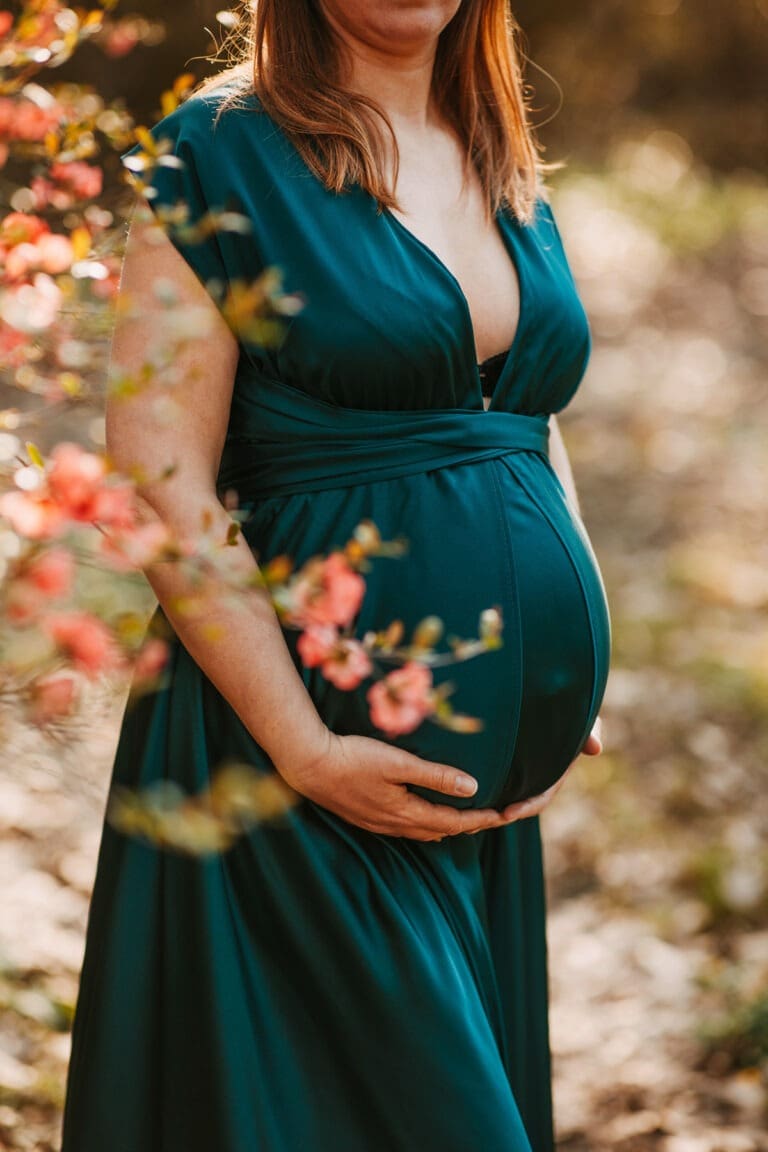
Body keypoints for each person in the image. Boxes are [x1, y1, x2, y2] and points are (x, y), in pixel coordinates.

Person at [60, 2, 611, 1149]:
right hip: (300, 761)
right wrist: (303, 748)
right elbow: (161, 470)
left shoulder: (492, 139)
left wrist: (567, 668)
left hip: (468, 802)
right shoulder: (218, 150)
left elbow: (520, 421)